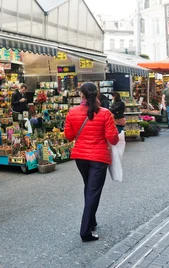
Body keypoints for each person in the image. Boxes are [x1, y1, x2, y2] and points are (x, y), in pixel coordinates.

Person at [64, 83, 119, 242]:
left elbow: (69, 136)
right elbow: (113, 139)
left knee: (89, 187)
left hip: (81, 157)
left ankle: (92, 221)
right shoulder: (105, 113)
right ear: (97, 94)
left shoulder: (72, 113)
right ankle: (85, 231)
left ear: (81, 95)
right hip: (98, 157)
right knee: (93, 191)